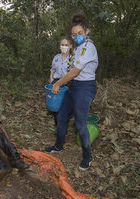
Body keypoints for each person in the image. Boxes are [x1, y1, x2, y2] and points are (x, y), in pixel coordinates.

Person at [45, 13, 98, 171]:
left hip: (84, 87)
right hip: (73, 86)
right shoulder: (78, 48)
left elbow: (74, 72)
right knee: (62, 116)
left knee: (80, 123)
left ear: (87, 31)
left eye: (80, 33)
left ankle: (87, 156)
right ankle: (59, 146)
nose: (76, 37)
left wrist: (58, 84)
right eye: (74, 35)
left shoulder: (88, 47)